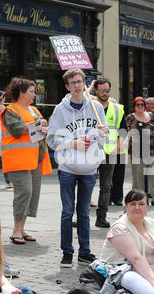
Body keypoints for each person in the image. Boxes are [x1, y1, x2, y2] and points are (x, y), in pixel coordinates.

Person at [47, 68, 108, 268]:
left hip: (89, 168)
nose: (76, 85)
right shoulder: (60, 110)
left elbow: (102, 137)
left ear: (84, 83)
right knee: (67, 212)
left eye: (79, 81)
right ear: (67, 86)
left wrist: (102, 133)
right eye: (72, 82)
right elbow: (51, 139)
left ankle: (85, 252)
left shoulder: (96, 107)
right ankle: (67, 252)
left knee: (83, 212)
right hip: (68, 168)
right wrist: (72, 142)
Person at [1, 77, 53, 244]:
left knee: (32, 195)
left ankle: (22, 229)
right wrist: (39, 126)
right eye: (31, 92)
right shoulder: (11, 110)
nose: (34, 95)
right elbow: (16, 129)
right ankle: (16, 231)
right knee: (24, 193)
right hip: (18, 159)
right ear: (21, 92)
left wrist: (42, 129)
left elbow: (35, 133)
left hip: (35, 159)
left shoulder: (34, 111)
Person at [91, 78, 126, 228]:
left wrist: (116, 149)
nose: (105, 93)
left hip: (109, 153)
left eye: (107, 90)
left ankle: (101, 217)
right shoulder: (90, 105)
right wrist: (90, 87)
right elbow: (74, 96)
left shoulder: (118, 109)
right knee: (85, 184)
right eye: (102, 90)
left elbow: (123, 132)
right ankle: (80, 218)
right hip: (91, 152)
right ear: (96, 90)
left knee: (106, 186)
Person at [126, 96, 154, 207]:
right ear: (134, 106)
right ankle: (140, 199)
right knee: (138, 176)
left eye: (142, 104)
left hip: (152, 150)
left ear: (145, 106)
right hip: (136, 151)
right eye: (137, 104)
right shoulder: (130, 117)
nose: (140, 106)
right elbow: (127, 132)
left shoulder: (152, 116)